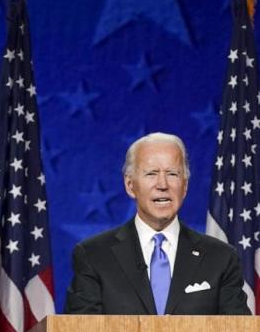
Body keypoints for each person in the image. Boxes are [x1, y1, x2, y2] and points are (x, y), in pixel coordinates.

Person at [65, 132, 249, 315]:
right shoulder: (94, 255)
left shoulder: (220, 258)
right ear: (130, 185)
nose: (162, 184)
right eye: (151, 173)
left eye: (172, 174)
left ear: (184, 186)